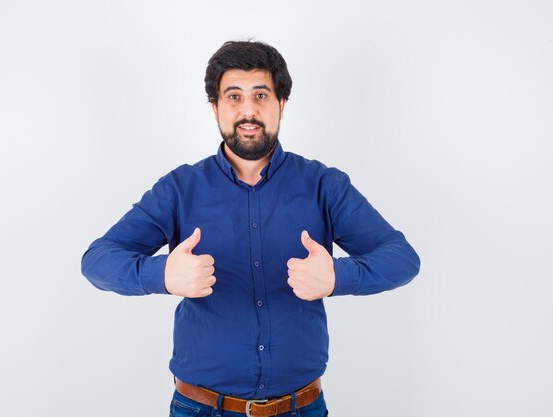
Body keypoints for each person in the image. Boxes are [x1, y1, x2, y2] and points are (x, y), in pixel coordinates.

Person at [81, 40, 421, 417]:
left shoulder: (324, 185)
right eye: (233, 96)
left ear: (281, 106)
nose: (248, 110)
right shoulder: (179, 189)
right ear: (215, 108)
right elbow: (98, 259)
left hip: (302, 407)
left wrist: (338, 276)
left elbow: (402, 259)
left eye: (261, 95)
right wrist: (162, 273)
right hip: (200, 408)